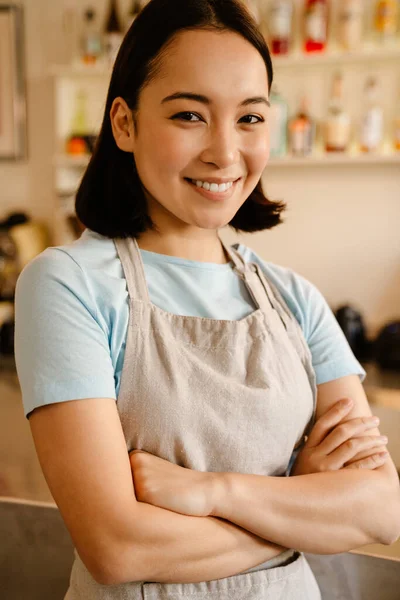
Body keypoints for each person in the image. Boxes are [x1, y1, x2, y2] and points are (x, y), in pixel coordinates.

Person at [14, 0, 400, 598]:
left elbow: (379, 509)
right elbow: (117, 547)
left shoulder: (295, 299)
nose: (224, 152)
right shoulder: (67, 284)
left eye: (250, 118)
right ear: (124, 123)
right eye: (190, 115)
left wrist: (216, 491)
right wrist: (302, 505)